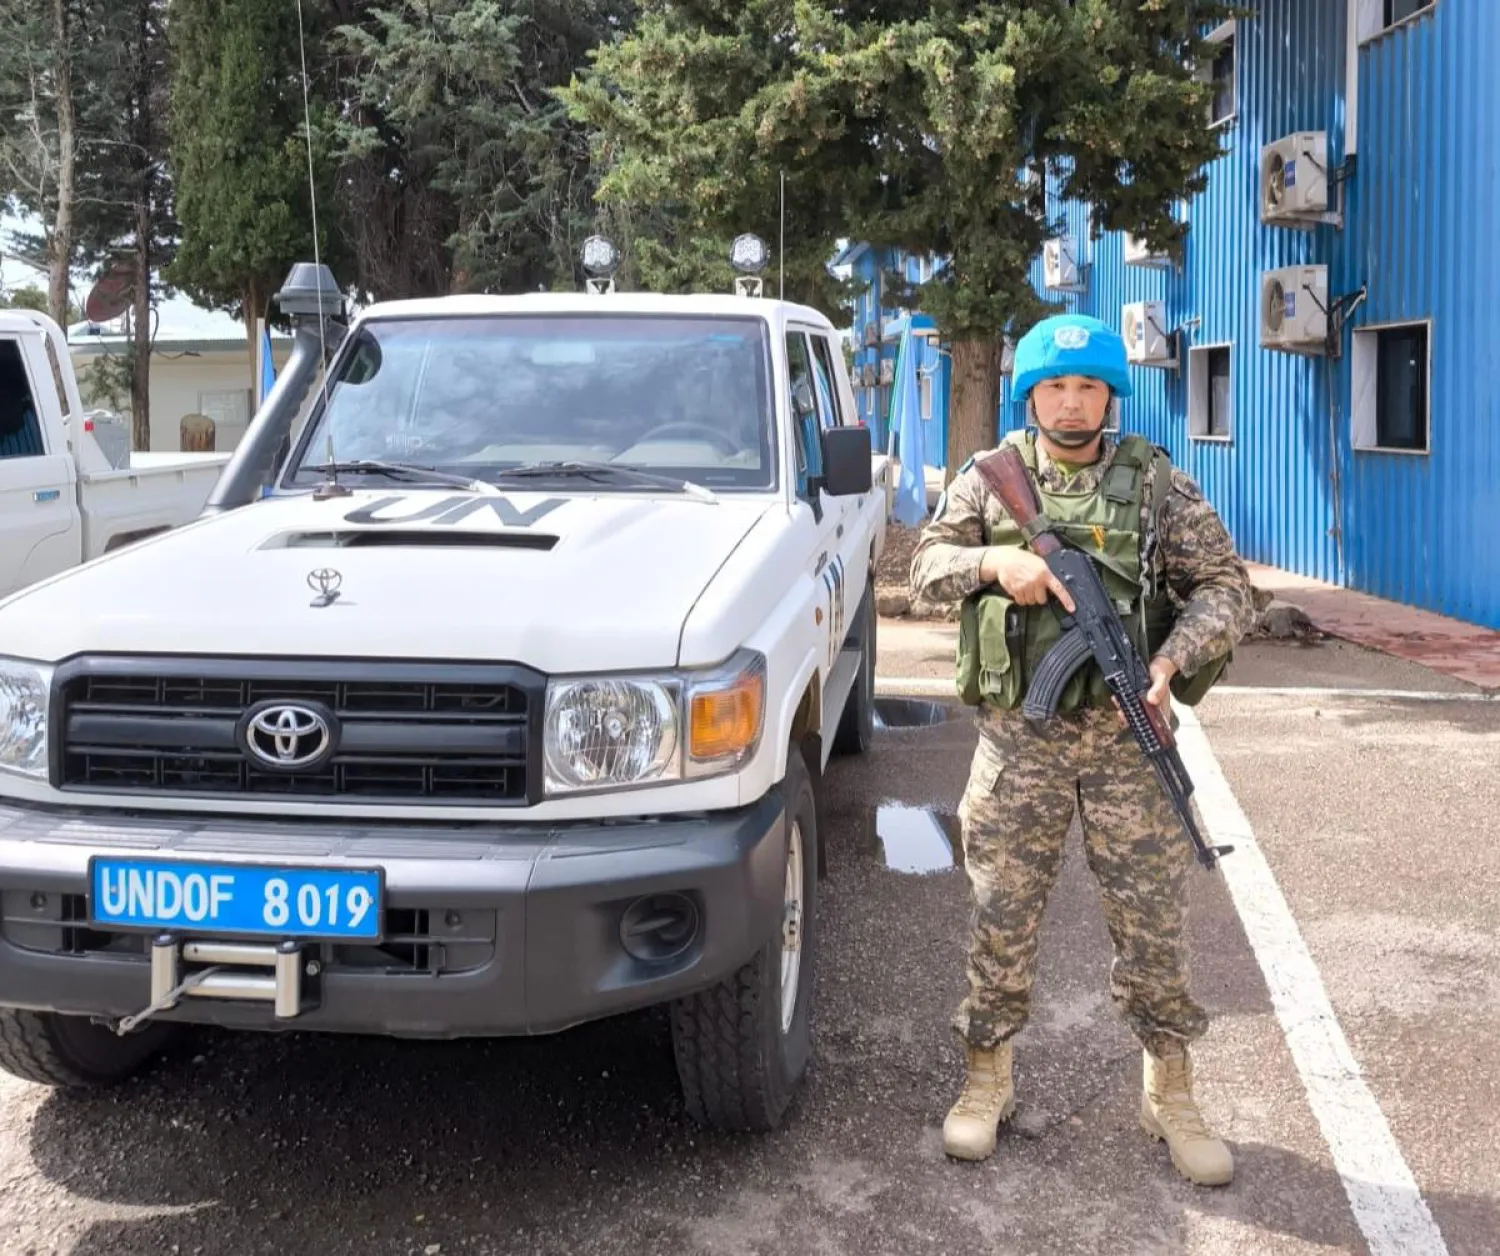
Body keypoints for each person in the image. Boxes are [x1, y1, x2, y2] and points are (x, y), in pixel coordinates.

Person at [909, 312, 1256, 1186]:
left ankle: (1169, 1087)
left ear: (1111, 394)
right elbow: (922, 569)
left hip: (1125, 750)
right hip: (1017, 747)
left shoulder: (1154, 485)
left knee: (1155, 927)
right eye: (1055, 387)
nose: (1071, 403)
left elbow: (1226, 586)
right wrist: (999, 566)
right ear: (1031, 393)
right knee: (1001, 917)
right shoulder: (993, 479)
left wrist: (1172, 661)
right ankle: (987, 1076)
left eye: (1088, 387)